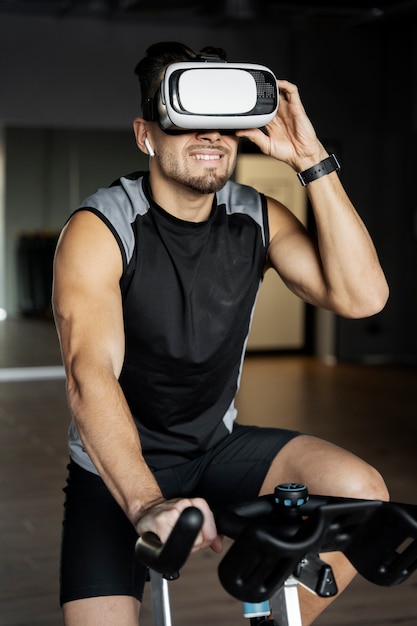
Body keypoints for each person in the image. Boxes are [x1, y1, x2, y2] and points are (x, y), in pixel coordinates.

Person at [52, 41, 390, 626]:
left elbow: (363, 297)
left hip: (215, 449)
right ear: (146, 135)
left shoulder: (255, 215)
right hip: (115, 469)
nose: (210, 136)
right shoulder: (100, 227)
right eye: (186, 122)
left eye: (225, 125)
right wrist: (147, 503)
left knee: (361, 493)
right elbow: (90, 373)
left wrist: (311, 158)